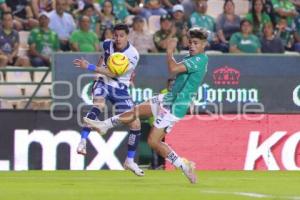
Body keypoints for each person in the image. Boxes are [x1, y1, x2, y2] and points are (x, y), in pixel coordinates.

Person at [79, 27, 209, 184]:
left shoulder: (200, 59)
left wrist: (169, 51)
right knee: (136, 111)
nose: (192, 45)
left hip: (175, 105)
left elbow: (173, 69)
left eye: (195, 43)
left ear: (204, 45)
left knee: (153, 142)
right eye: (190, 42)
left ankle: (183, 165)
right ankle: (104, 125)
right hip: (169, 97)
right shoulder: (191, 57)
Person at [74, 23, 144, 176]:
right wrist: (96, 74)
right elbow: (103, 57)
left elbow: (114, 73)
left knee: (135, 123)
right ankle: (82, 141)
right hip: (103, 82)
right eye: (116, 35)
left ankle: (130, 161)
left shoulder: (133, 54)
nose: (118, 39)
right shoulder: (107, 44)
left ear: (127, 36)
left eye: (121, 36)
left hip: (120, 87)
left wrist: (91, 67)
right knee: (98, 105)